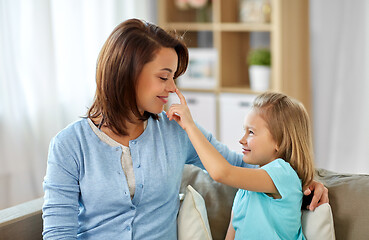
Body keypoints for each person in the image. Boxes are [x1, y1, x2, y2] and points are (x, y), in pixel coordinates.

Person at [42, 18, 328, 239]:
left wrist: (305, 180)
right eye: (164, 77)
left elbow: (243, 166)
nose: (172, 89)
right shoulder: (69, 145)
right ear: (127, 73)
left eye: (174, 77)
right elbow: (58, 232)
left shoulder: (177, 132)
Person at [167, 90, 320, 239]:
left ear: (280, 142)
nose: (242, 139)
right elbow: (233, 232)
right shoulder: (245, 188)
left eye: (251, 132)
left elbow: (222, 173)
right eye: (244, 131)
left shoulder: (283, 173)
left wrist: (190, 127)